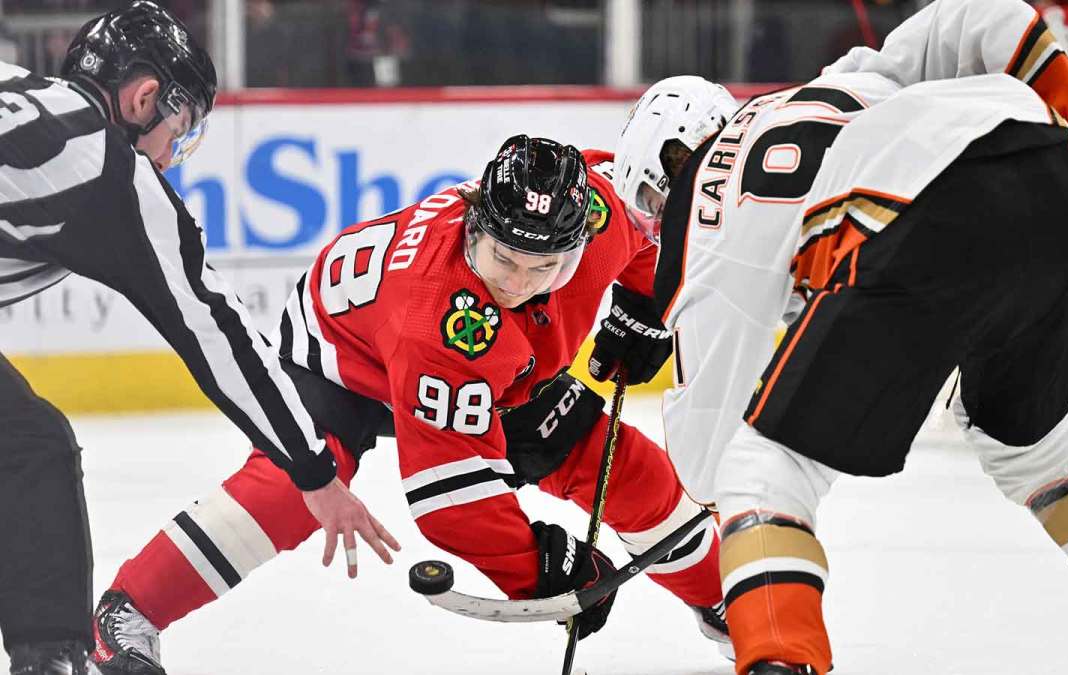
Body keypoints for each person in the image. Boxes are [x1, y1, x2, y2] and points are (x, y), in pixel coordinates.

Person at [613, 1, 1068, 674]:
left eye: (654, 204)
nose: (660, 222)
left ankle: (780, 662)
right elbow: (984, 18)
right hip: (1057, 188)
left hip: (924, 231)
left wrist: (732, 539)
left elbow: (705, 451)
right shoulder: (838, 81)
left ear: (673, 164)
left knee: (760, 473)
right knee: (1030, 443)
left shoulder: (701, 206)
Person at [88, 135, 729, 674]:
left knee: (612, 461)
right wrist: (538, 570)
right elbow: (448, 500)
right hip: (339, 354)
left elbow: (648, 244)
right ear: (476, 224)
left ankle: (727, 597)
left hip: (499, 365)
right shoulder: (439, 321)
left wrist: (646, 310)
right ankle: (128, 612)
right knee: (297, 487)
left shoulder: (599, 214)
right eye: (503, 259)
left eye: (546, 268)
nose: (518, 283)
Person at [0, 3, 400, 674]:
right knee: (32, 451)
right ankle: (51, 662)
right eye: (177, 133)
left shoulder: (16, 84)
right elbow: (217, 331)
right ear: (143, 97)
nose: (170, 159)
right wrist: (312, 467)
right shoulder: (104, 166)